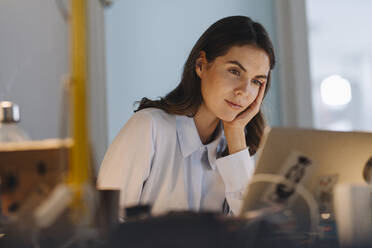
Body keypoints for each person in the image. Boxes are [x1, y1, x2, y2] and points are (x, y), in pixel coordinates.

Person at [97, 16, 276, 220]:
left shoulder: (242, 149)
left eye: (256, 81)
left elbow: (253, 230)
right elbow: (106, 226)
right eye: (235, 71)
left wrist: (235, 133)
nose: (244, 91)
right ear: (201, 65)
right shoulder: (148, 128)